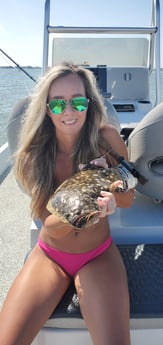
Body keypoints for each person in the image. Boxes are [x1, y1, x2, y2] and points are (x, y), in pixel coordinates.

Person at [0, 62, 135, 345]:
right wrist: (83, 196)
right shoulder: (33, 155)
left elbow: (129, 197)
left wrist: (111, 196)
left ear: (89, 102)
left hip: (98, 255)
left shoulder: (107, 138)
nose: (70, 112)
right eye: (59, 105)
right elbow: (48, 225)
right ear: (47, 109)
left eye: (77, 102)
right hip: (50, 255)